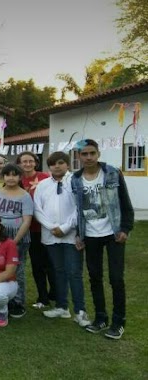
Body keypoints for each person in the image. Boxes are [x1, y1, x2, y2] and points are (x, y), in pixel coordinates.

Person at [70, 139, 134, 339]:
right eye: (84, 154)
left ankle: (118, 321)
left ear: (98, 154)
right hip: (90, 235)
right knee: (95, 277)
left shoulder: (112, 172)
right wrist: (79, 235)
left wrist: (125, 228)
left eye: (92, 153)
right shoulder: (75, 179)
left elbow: (124, 201)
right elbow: (77, 209)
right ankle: (101, 318)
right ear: (79, 156)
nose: (88, 157)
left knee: (116, 278)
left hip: (113, 232)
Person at [34, 152, 91, 327]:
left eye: (60, 163)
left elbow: (80, 207)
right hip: (51, 236)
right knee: (58, 270)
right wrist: (52, 227)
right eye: (53, 164)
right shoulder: (43, 185)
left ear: (67, 164)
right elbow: (37, 209)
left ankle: (80, 311)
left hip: (71, 235)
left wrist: (65, 227)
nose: (57, 166)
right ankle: (61, 306)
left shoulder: (75, 182)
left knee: (74, 272)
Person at [0, 163, 34, 319]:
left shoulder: (25, 196)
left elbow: (27, 221)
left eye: (14, 175)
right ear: (3, 177)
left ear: (20, 177)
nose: (11, 178)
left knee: (17, 270)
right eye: (8, 175)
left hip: (18, 236)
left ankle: (17, 302)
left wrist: (15, 241)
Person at [17, 151, 55, 310]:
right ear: (19, 164)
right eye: (24, 161)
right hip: (29, 228)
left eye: (30, 161)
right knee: (37, 264)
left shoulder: (46, 177)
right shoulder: (17, 180)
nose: (27, 164)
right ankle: (42, 297)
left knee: (51, 263)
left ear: (35, 162)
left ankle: (55, 293)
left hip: (46, 226)